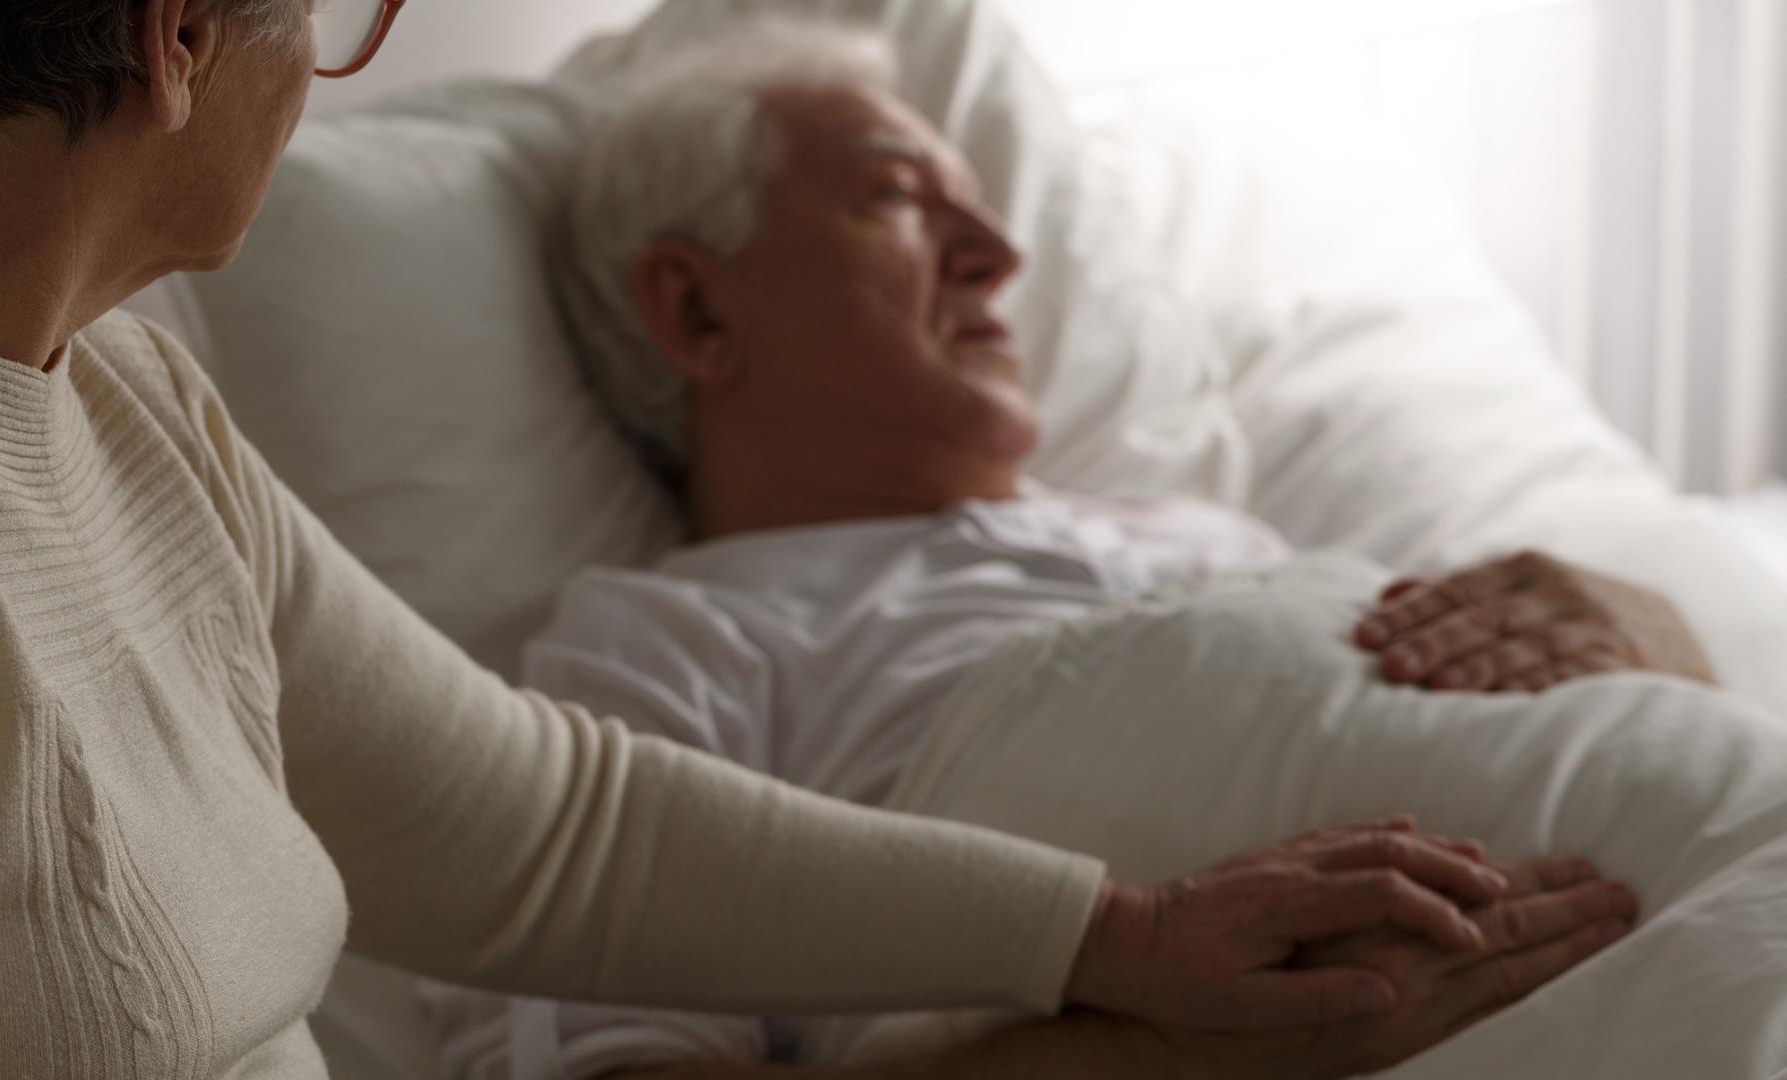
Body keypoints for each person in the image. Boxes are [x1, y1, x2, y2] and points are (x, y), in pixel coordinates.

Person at [0, 3, 1603, 1078]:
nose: (342, 55)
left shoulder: (116, 398)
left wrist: (1120, 935)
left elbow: (557, 834)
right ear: (177, 36)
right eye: (343, 14)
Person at [416, 21, 1660, 1079]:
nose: (1000, 258)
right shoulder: (664, 649)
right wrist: (1155, 1054)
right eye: (900, 197)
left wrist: (1635, 624)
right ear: (695, 308)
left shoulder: (1214, 538)